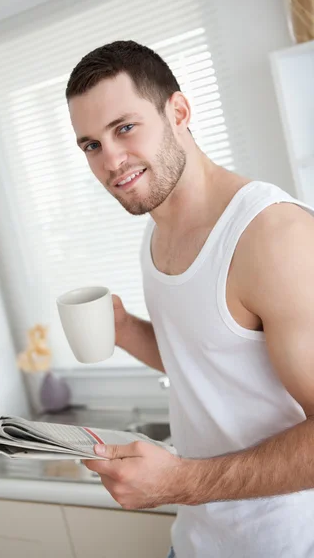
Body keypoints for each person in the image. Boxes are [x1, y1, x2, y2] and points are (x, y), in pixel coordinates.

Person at [65, 40, 314, 558]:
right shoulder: (156, 234)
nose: (110, 160)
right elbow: (209, 360)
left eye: (124, 128)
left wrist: (178, 483)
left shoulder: (272, 236)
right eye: (91, 145)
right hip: (198, 542)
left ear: (178, 111)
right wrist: (127, 329)